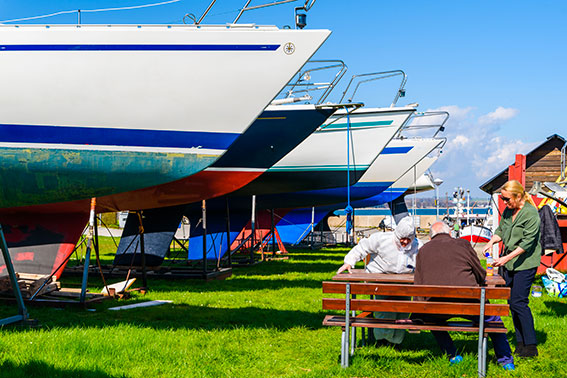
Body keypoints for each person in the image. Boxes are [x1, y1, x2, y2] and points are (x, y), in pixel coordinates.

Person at [414, 221, 515, 370]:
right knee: (494, 320)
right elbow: (480, 273)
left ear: (430, 238)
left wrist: (419, 311)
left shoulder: (423, 250)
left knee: (432, 319)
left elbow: (419, 284)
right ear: (450, 234)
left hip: (437, 307)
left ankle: (452, 354)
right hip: (469, 305)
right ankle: (506, 361)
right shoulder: (463, 244)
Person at [337, 216, 420, 344]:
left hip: (404, 282)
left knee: (403, 310)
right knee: (384, 309)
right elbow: (362, 247)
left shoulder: (418, 245)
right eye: (401, 239)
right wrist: (349, 261)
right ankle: (383, 339)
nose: (404, 242)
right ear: (396, 235)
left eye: (408, 239)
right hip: (379, 279)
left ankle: (395, 341)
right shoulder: (381, 239)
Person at [483, 180, 542, 358]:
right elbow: (501, 230)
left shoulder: (531, 214)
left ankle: (531, 346)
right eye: (502, 198)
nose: (504, 202)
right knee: (512, 303)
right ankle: (520, 342)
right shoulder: (509, 211)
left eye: (507, 199)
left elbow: (527, 243)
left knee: (519, 303)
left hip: (525, 263)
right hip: (509, 263)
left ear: (518, 196)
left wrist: (505, 258)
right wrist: (491, 241)